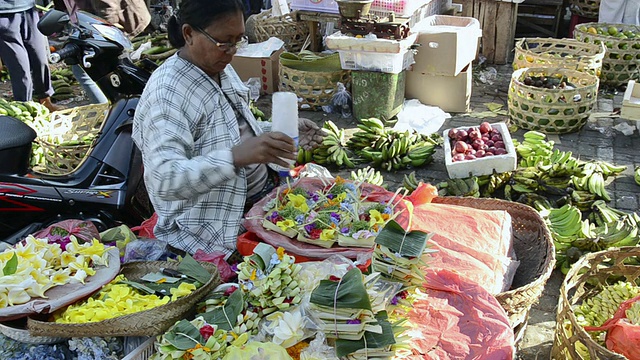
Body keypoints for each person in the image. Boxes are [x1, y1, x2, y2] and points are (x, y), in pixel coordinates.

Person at [132, 0, 323, 260]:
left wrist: (272, 132)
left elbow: (229, 128)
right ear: (189, 34)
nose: (232, 51)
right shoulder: (167, 94)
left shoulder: (219, 67)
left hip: (260, 202)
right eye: (224, 42)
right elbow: (165, 180)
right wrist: (236, 157)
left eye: (238, 41)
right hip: (212, 229)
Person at [0, 0, 59, 111]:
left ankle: (46, 101)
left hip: (28, 8)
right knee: (20, 66)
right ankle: (25, 107)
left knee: (40, 58)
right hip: (3, 14)